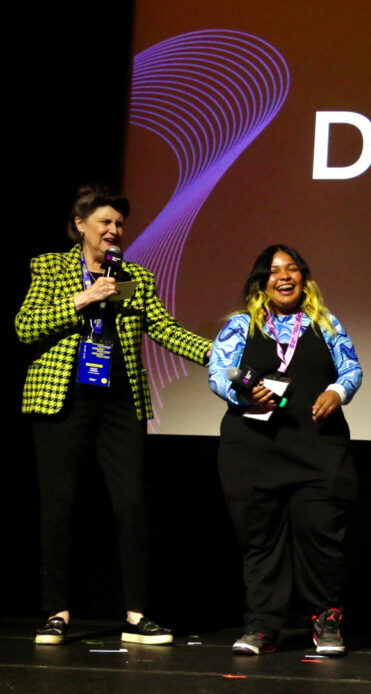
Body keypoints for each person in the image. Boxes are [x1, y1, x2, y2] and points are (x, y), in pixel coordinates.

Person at [16, 184, 212, 646]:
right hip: (63, 398)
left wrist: (220, 355)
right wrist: (83, 299)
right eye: (105, 221)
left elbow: (165, 328)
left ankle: (137, 615)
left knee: (131, 504)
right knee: (59, 506)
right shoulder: (49, 267)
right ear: (80, 224)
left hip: (120, 401)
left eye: (119, 223)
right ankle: (56, 612)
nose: (114, 230)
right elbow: (25, 326)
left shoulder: (135, 277)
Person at [209, 245, 361, 656]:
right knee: (260, 541)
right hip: (252, 450)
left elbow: (351, 368)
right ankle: (262, 627)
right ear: (262, 282)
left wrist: (337, 390)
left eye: (292, 269)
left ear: (304, 278)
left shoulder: (324, 322)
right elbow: (217, 372)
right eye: (274, 271)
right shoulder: (241, 325)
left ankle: (326, 621)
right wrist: (241, 394)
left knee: (321, 536)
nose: (284, 277)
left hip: (317, 448)